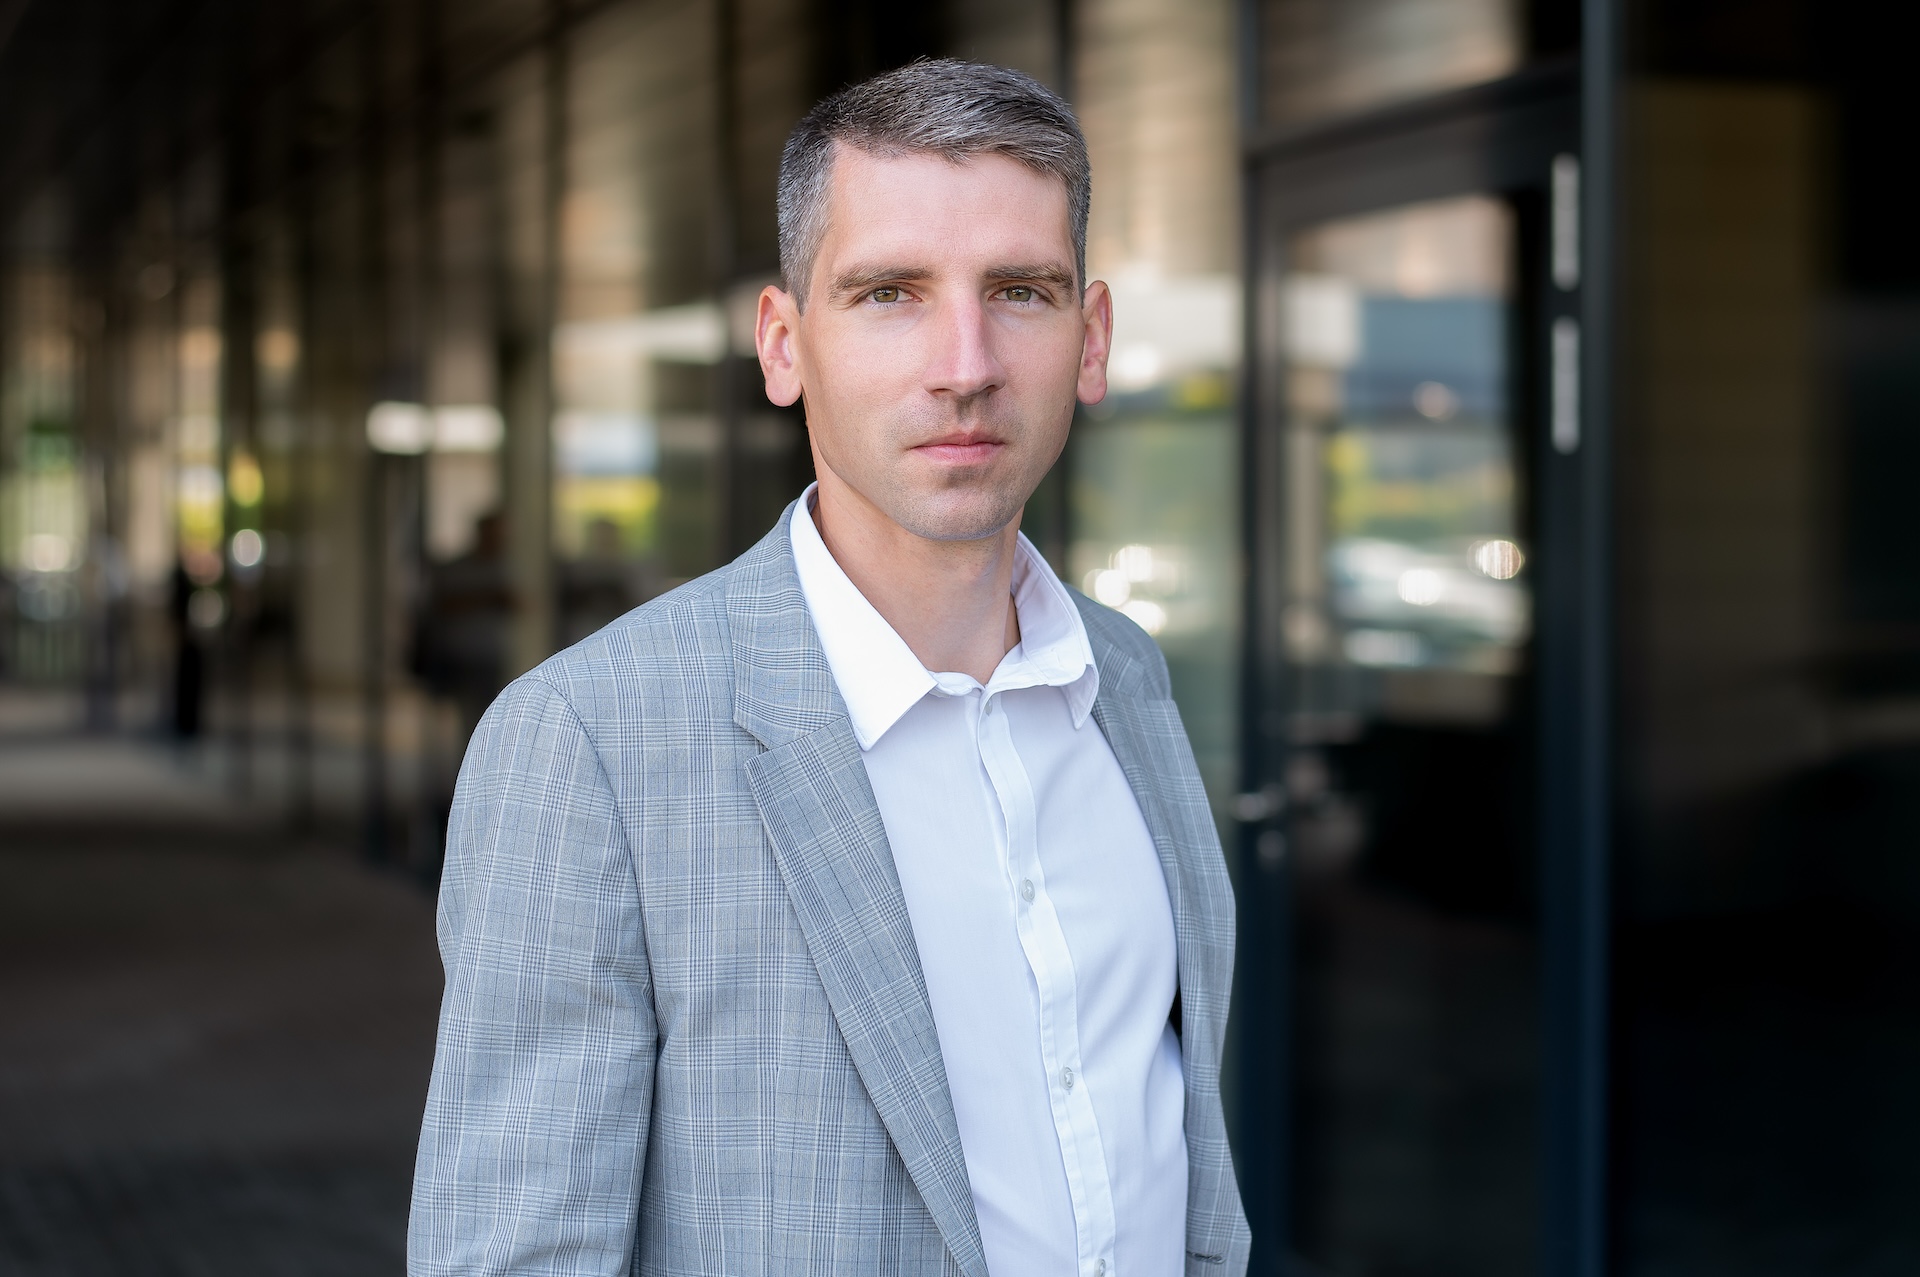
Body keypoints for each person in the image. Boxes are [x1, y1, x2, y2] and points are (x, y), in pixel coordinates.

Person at [409, 59, 1249, 1277]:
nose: (965, 363)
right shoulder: (587, 744)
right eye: (890, 293)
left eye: (1020, 291)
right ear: (783, 345)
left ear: (1092, 338)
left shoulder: (1127, 678)